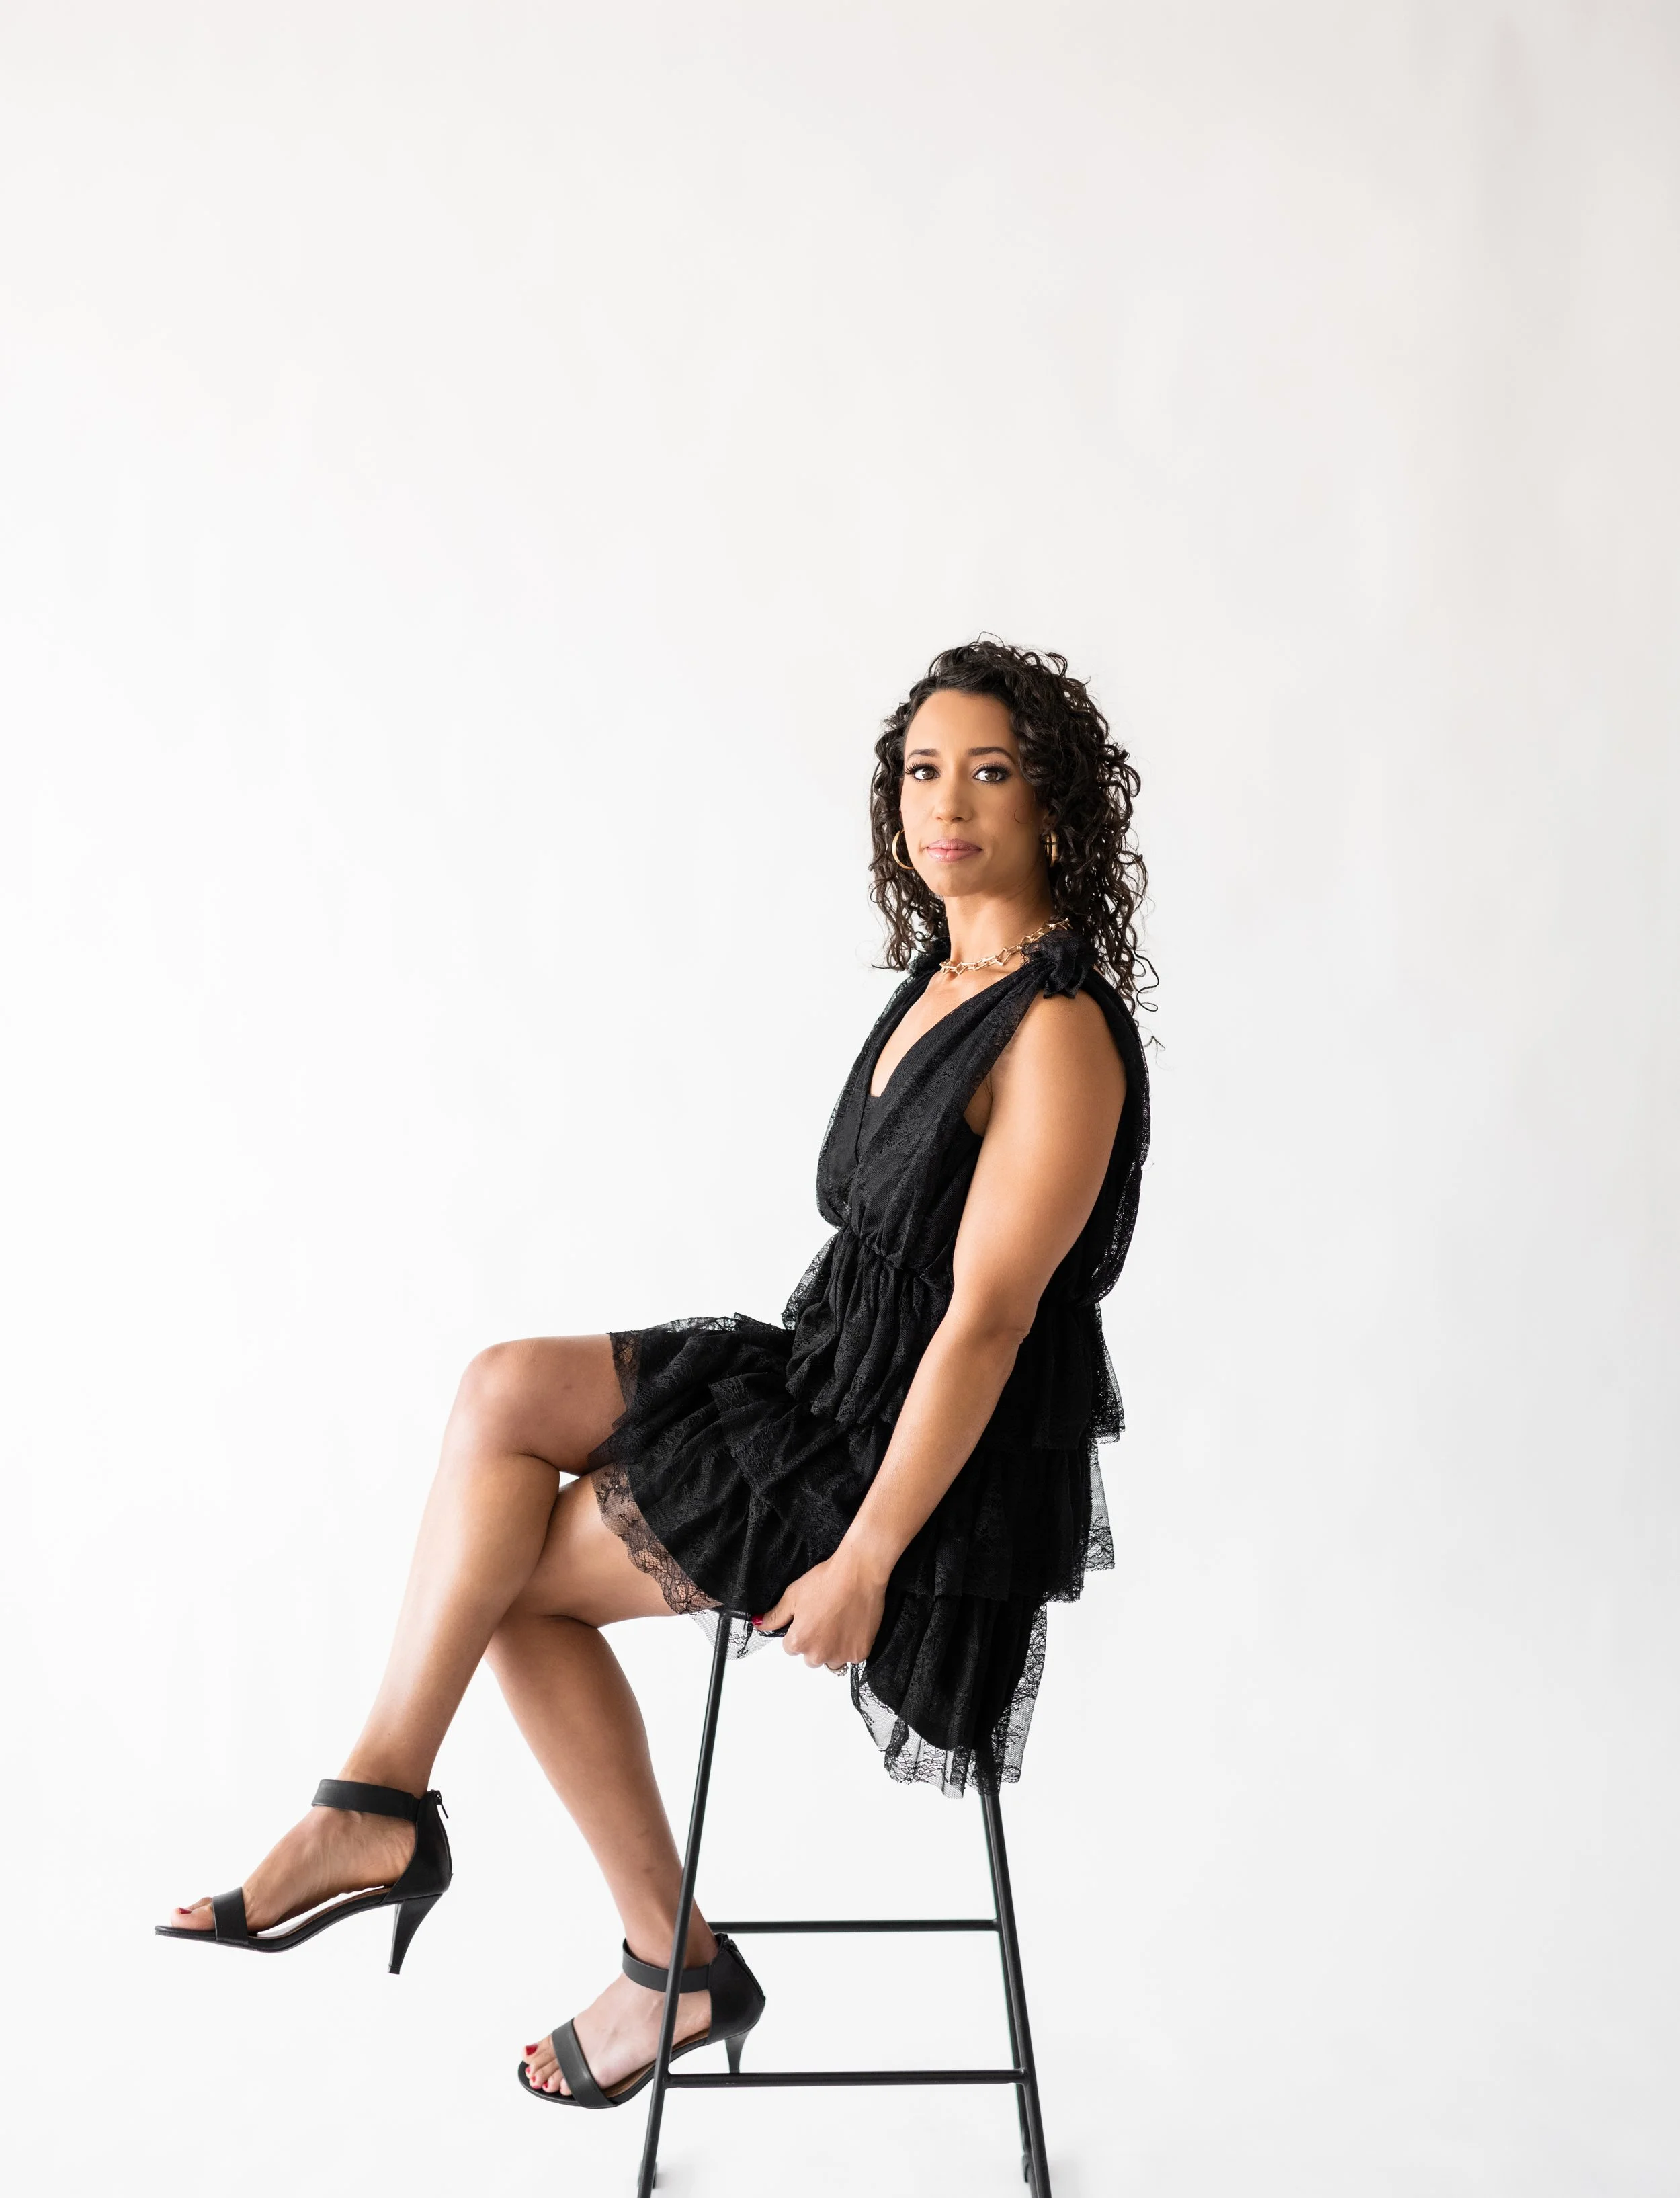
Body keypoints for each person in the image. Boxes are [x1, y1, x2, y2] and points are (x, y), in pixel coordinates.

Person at [157, 637, 1152, 2111]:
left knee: (502, 1576)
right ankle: (385, 1798)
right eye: (920, 772)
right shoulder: (953, 974)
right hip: (832, 1375)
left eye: (988, 772)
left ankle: (643, 1953)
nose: (944, 805)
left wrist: (869, 1554)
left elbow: (989, 1326)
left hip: (905, 1466)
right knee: (500, 1392)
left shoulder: (1055, 1028)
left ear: (1055, 805)